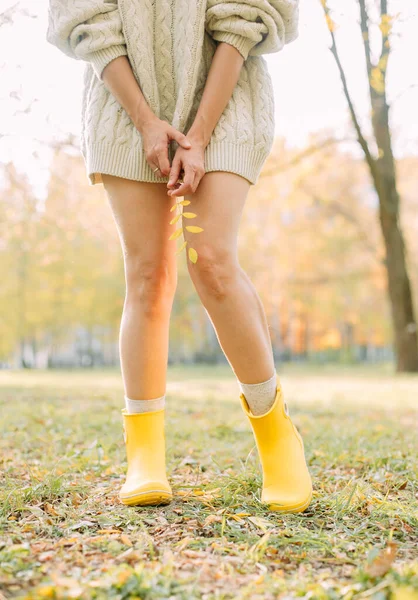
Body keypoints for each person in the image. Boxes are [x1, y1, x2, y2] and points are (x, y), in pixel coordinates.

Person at [46, 0, 312, 513]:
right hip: (123, 101)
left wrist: (200, 131)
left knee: (210, 259)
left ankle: (277, 434)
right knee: (148, 273)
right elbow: (84, 19)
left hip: (226, 92)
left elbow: (251, 12)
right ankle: (144, 451)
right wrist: (146, 120)